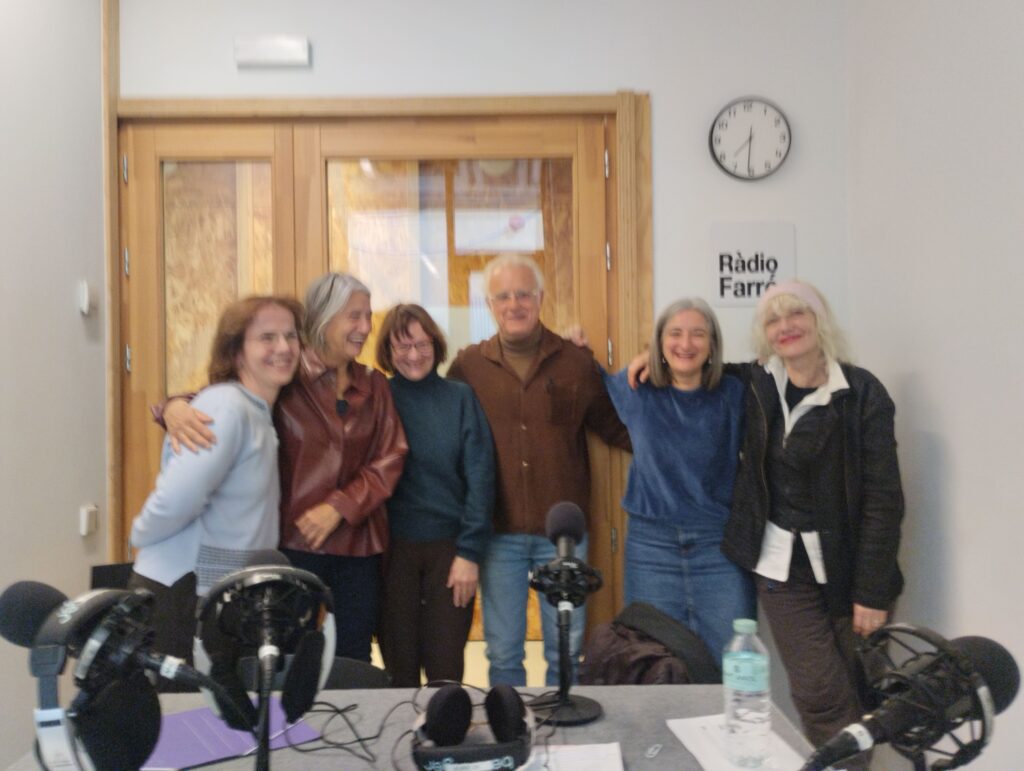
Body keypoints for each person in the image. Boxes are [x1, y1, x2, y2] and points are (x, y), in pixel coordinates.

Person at [630, 280, 904, 768]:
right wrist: (650, 357)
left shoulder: (862, 393)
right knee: (819, 691)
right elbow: (700, 364)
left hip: (849, 567)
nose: (786, 327)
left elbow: (884, 498)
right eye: (774, 320)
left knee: (864, 686)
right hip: (781, 568)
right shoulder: (758, 384)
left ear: (820, 321)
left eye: (796, 314)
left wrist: (873, 590)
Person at [164, 273, 408, 662]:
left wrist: (339, 506)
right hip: (292, 544)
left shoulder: (375, 385)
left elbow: (390, 457)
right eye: (354, 316)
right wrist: (174, 407)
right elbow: (217, 401)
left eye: (367, 316)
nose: (365, 327)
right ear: (324, 318)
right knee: (283, 653)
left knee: (353, 655)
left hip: (358, 543)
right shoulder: (285, 373)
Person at [446, 253, 631, 687]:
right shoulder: (468, 367)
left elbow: (616, 425)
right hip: (497, 532)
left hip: (563, 535)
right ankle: (511, 722)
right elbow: (445, 438)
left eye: (523, 294)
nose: (514, 304)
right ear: (489, 305)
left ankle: (563, 722)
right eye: (503, 296)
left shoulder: (576, 363)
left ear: (541, 298)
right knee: (503, 653)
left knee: (566, 649)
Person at [129, 295, 303, 665]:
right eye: (267, 337)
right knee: (185, 704)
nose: (284, 347)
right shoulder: (226, 405)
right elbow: (179, 497)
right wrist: (140, 536)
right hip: (183, 594)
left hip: (219, 594)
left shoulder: (256, 411)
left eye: (291, 336)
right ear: (236, 351)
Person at [602, 298, 754, 664]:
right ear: (659, 341)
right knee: (653, 660)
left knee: (733, 660)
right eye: (675, 334)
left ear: (713, 344)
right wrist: (575, 340)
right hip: (650, 547)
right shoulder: (634, 389)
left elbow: (773, 371)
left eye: (698, 334)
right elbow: (583, 378)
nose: (685, 343)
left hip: (718, 546)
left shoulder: (734, 394)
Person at [373, 304, 495, 686]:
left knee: (446, 670)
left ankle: (445, 727)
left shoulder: (460, 399)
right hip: (392, 553)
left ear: (436, 345)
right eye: (402, 346)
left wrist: (469, 553)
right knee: (399, 671)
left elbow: (481, 478)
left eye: (422, 344)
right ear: (388, 351)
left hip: (450, 553)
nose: (413, 355)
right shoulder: (378, 397)